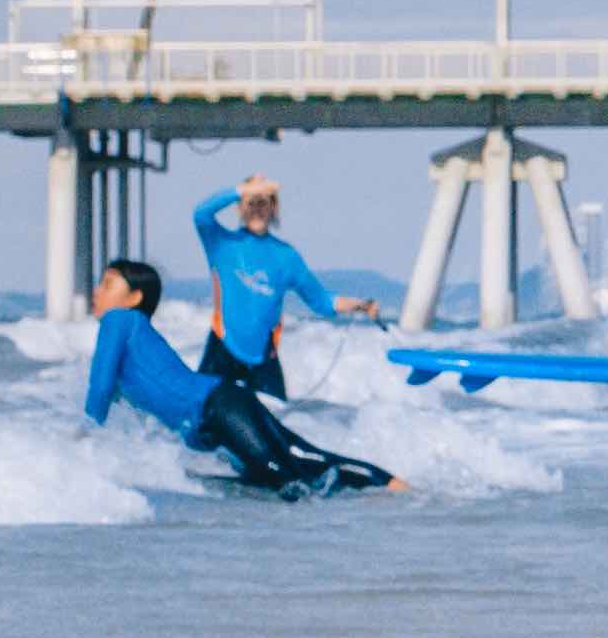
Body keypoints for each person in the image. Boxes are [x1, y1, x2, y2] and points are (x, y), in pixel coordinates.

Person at [79, 258, 395, 499]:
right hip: (219, 411)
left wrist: (85, 440)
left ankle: (380, 497)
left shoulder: (118, 319)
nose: (96, 291)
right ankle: (390, 487)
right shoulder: (131, 331)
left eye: (107, 284)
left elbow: (100, 387)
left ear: (134, 297)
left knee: (287, 478)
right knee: (297, 466)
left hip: (219, 407)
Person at [186, 174, 378, 398]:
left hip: (263, 357)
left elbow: (322, 301)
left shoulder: (286, 256)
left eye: (263, 201)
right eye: (250, 201)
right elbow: (201, 214)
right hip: (222, 348)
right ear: (239, 207)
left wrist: (361, 305)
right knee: (199, 411)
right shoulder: (221, 243)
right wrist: (242, 189)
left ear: (273, 207)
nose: (256, 208)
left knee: (280, 414)